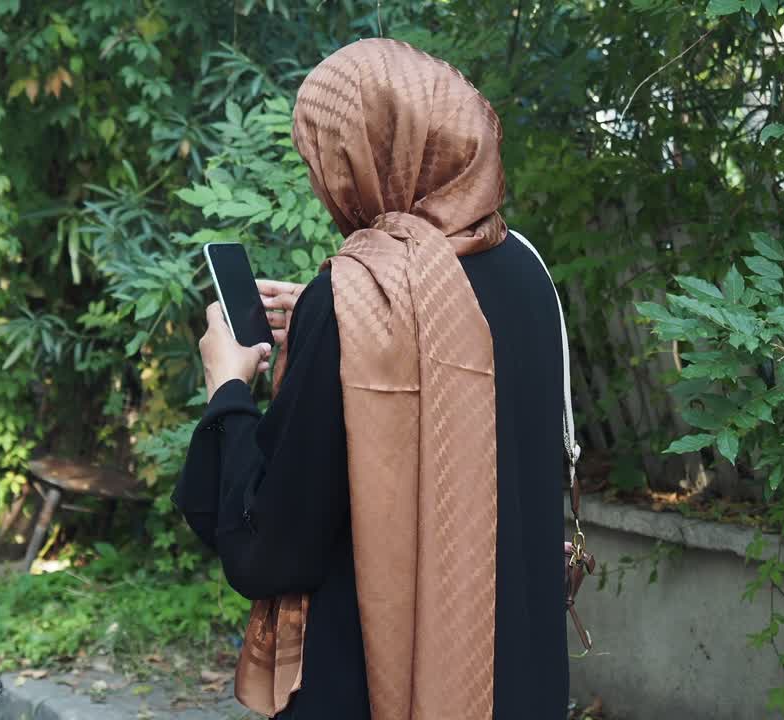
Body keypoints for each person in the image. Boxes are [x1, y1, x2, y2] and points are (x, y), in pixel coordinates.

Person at [173, 38, 569, 719]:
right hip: (520, 676)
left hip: (380, 687)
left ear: (367, 157)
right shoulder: (526, 270)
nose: (322, 180)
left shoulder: (359, 295)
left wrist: (228, 388)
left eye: (324, 160)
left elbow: (270, 551)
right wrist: (344, 328)